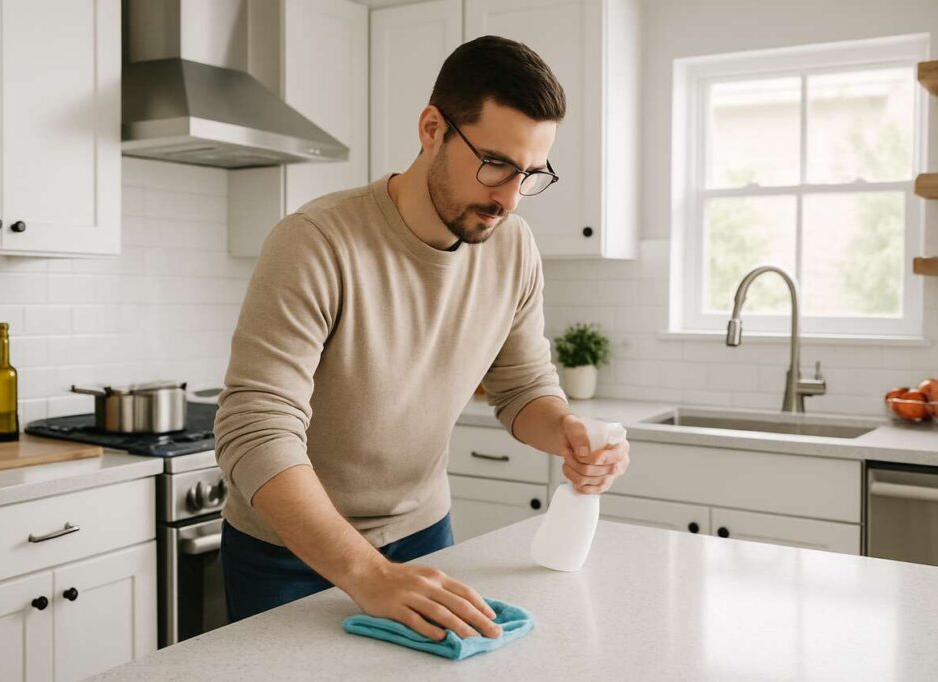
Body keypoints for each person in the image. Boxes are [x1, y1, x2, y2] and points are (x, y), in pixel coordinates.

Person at [215, 35, 630, 642]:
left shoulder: (513, 249)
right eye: (495, 164)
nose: (509, 199)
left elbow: (523, 389)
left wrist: (566, 434)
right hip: (288, 552)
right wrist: (366, 572)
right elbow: (254, 429)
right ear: (432, 127)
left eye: (530, 174)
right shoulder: (315, 242)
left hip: (424, 536)